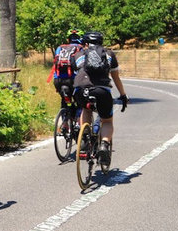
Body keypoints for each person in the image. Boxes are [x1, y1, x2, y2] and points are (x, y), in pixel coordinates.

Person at [72, 31, 129, 165]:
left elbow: (76, 75)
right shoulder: (109, 54)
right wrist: (123, 95)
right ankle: (104, 144)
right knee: (107, 121)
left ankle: (84, 136)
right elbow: (116, 78)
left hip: (81, 90)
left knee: (85, 109)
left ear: (85, 43)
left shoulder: (78, 55)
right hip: (102, 91)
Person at [51, 28, 84, 106]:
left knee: (65, 101)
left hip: (58, 80)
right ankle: (79, 115)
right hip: (73, 79)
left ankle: (64, 115)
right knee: (80, 102)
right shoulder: (80, 49)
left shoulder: (60, 48)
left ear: (68, 39)